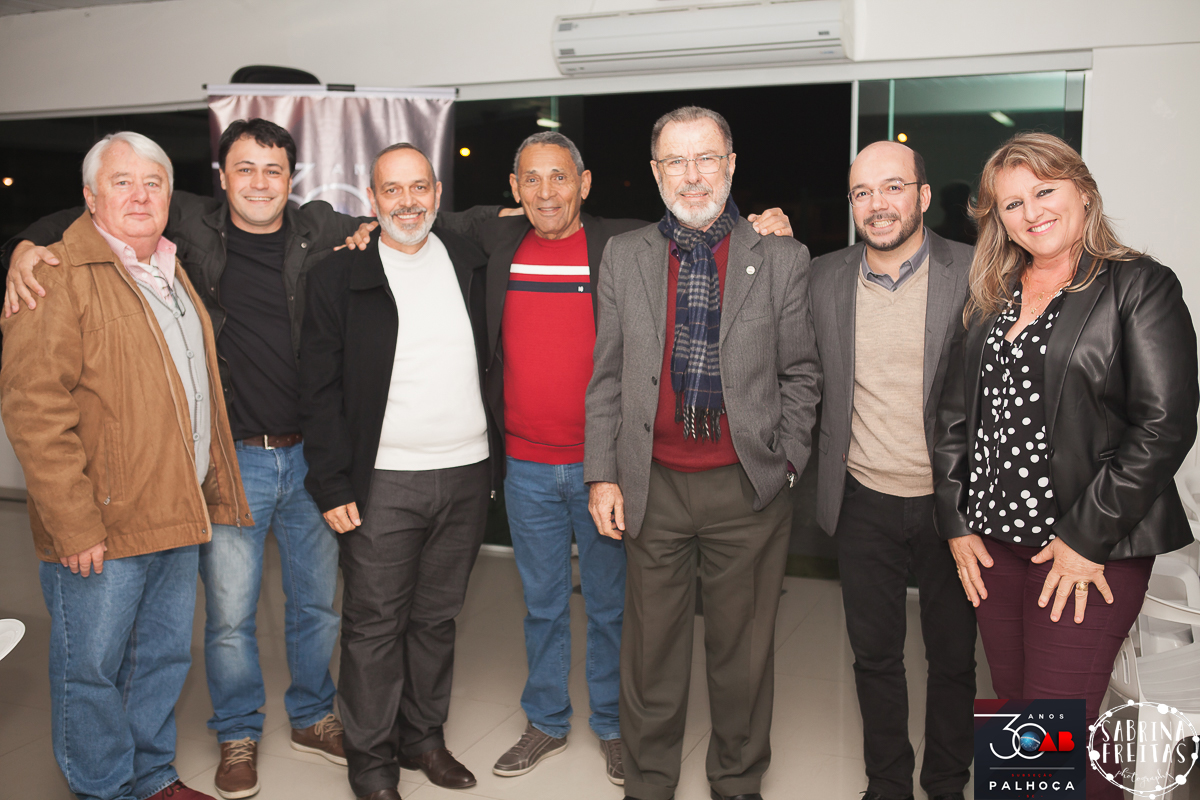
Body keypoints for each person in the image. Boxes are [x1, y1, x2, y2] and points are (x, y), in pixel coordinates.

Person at [1, 119, 503, 799]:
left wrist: (523, 206)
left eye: (274, 170)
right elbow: (82, 216)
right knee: (230, 617)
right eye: (245, 169)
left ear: (292, 179)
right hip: (232, 462)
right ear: (222, 178)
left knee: (316, 608)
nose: (260, 183)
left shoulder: (315, 230)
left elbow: (428, 213)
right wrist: (24, 248)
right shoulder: (184, 230)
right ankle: (236, 730)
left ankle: (311, 717)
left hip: (310, 459)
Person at [430, 131, 792, 786]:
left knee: (613, 607)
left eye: (559, 177)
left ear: (585, 183)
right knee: (541, 605)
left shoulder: (620, 245)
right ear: (513, 190)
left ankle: (614, 726)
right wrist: (361, 228)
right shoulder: (497, 243)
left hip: (612, 469)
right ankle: (546, 719)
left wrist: (767, 222)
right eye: (531, 179)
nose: (546, 192)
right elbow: (428, 215)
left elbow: (700, 215)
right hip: (527, 468)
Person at [932, 132, 1198, 800]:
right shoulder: (990, 293)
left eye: (1044, 191)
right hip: (994, 546)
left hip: (1086, 550)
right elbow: (954, 417)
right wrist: (957, 521)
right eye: (1012, 203)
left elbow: (1164, 425)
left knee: (1052, 721)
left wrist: (1085, 537)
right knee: (1023, 716)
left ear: (1082, 190)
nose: (1031, 212)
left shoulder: (1138, 285)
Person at [0, 132, 249, 800]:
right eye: (121, 182)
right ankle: (104, 789)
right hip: (102, 526)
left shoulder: (171, 268)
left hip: (175, 510)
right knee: (92, 672)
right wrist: (73, 523)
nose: (140, 196)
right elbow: (33, 410)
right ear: (89, 197)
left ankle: (151, 777)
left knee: (160, 659)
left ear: (171, 195)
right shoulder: (55, 276)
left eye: (153, 183)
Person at [584, 106, 821, 800]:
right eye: (676, 162)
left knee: (741, 653)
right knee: (651, 650)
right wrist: (603, 474)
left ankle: (737, 780)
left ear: (731, 165)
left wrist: (786, 463)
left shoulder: (781, 257)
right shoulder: (625, 255)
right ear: (655, 172)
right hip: (650, 484)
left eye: (706, 158)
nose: (692, 176)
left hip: (746, 488)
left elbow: (801, 374)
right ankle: (649, 782)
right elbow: (606, 376)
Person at [299, 142, 495, 800]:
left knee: (436, 618)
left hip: (466, 473)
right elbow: (318, 391)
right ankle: (372, 761)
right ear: (372, 200)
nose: (407, 202)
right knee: (374, 624)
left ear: (436, 193)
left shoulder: (471, 260)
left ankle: (423, 739)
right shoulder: (338, 275)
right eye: (392, 190)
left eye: (419, 188)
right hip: (382, 481)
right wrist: (332, 482)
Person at [809, 140, 977, 800]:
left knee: (953, 658)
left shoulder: (975, 272)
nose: (877, 204)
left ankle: (946, 784)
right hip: (862, 499)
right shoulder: (823, 277)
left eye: (893, 187)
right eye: (862, 192)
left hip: (954, 507)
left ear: (923, 196)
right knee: (874, 657)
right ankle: (887, 785)